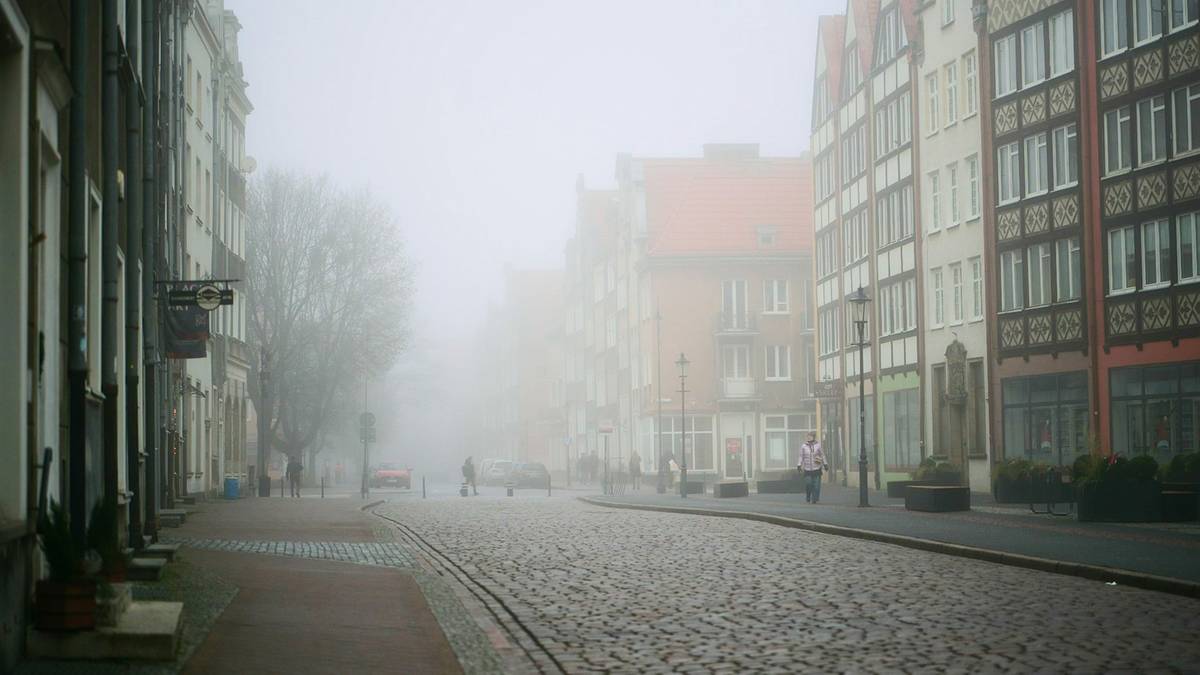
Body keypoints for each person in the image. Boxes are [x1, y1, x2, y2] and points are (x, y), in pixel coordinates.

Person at [798, 431, 826, 504]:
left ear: (814, 437)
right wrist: (799, 464)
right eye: (808, 436)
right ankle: (808, 495)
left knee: (816, 485)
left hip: (816, 468)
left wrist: (825, 464)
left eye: (810, 436)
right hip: (807, 469)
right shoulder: (803, 446)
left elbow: (822, 455)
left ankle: (815, 498)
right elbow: (801, 456)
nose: (808, 437)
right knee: (808, 483)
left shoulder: (818, 445)